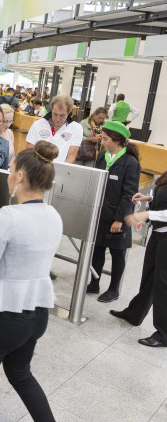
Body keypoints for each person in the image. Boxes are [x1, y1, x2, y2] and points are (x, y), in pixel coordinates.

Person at [0, 141, 62, 422]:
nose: (8, 175)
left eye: (11, 169)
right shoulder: (53, 215)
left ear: (20, 176)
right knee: (21, 375)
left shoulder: (8, 216)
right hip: (37, 315)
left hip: (1, 317)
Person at [86, 121, 141, 302]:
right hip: (100, 214)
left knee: (117, 253)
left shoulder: (130, 163)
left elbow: (129, 194)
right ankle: (94, 283)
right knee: (97, 250)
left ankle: (114, 289)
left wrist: (118, 219)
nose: (102, 141)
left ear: (117, 140)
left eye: (105, 138)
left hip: (118, 217)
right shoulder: (102, 157)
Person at [115, 171, 167, 347]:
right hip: (159, 234)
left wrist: (147, 215)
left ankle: (163, 335)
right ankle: (135, 313)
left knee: (162, 285)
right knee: (149, 278)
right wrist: (149, 199)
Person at [26, 95, 83, 164]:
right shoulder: (37, 124)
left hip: (60, 171)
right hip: (37, 169)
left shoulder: (77, 128)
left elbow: (71, 158)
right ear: (51, 109)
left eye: (62, 115)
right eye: (55, 114)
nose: (58, 119)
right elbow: (29, 151)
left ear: (69, 112)